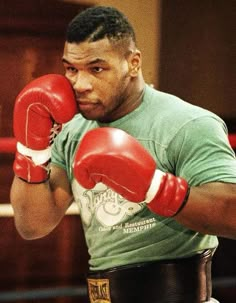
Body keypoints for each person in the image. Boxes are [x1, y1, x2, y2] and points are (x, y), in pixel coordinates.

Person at [10, 6, 236, 303]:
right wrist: (31, 150)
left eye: (97, 68)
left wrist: (154, 187)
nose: (80, 84)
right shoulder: (72, 129)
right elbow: (32, 225)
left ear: (133, 63)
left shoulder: (187, 124)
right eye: (71, 69)